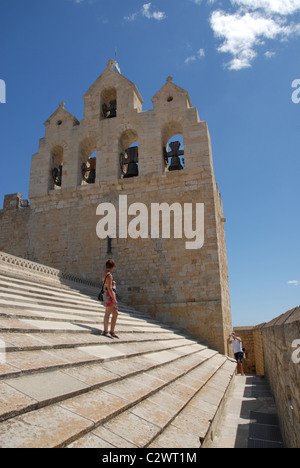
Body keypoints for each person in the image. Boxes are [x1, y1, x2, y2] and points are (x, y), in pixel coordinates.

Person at [101, 259, 119, 338]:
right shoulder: (109, 276)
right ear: (112, 267)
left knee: (115, 313)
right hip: (110, 295)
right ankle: (106, 331)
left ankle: (112, 331)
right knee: (108, 313)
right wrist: (114, 299)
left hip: (108, 294)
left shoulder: (104, 274)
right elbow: (109, 288)